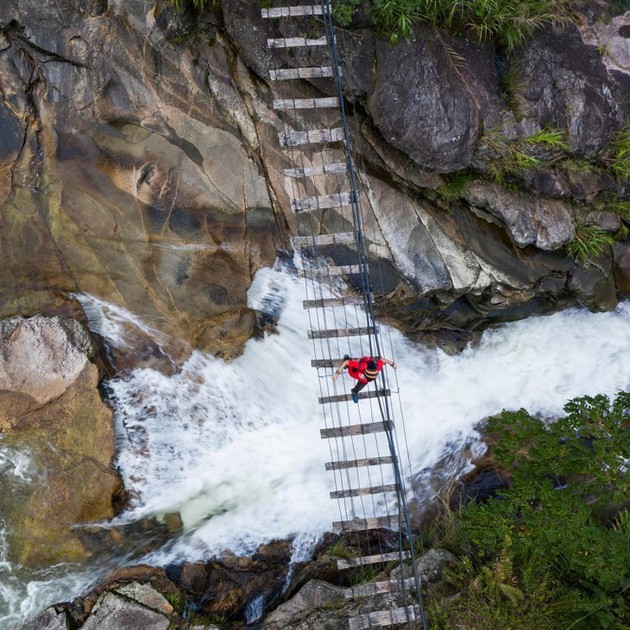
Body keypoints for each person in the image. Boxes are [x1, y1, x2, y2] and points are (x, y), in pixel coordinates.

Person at [332, 354, 396, 403]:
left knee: (362, 384)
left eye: (369, 379)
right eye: (366, 377)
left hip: (363, 372)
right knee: (349, 364)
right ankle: (348, 364)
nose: (366, 379)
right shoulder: (361, 366)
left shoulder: (377, 368)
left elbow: (382, 360)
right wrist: (337, 374)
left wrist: (392, 364)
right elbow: (346, 362)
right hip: (354, 371)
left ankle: (354, 391)